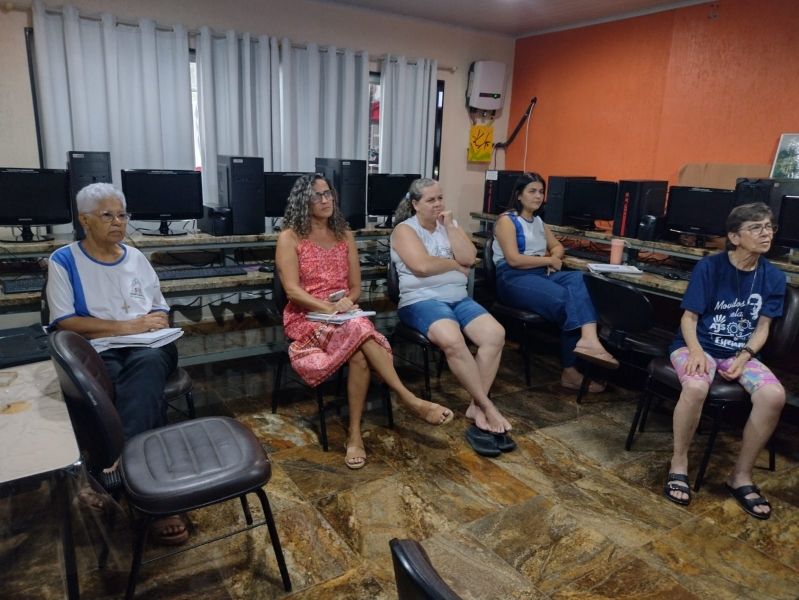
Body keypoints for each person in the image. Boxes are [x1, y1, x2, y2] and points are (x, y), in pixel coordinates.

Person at [275, 174, 453, 470]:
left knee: (358, 353)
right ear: (302, 201)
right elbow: (293, 291)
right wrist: (331, 308)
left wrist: (345, 305)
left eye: (328, 193)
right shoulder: (290, 237)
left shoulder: (344, 234)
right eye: (317, 195)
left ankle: (355, 432)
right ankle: (408, 399)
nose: (326, 200)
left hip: (345, 314)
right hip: (307, 316)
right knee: (360, 331)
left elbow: (355, 287)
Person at [47, 182, 186, 544]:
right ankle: (153, 492)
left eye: (122, 215)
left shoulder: (136, 258)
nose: (118, 222)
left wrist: (156, 321)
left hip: (150, 346)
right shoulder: (64, 260)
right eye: (107, 215)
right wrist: (126, 327)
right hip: (100, 348)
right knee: (124, 389)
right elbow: (65, 322)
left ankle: (108, 472)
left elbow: (159, 307)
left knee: (146, 367)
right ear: (84, 220)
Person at [664, 202, 786, 519]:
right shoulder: (710, 267)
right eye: (756, 227)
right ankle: (679, 463)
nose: (766, 233)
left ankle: (740, 476)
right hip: (696, 344)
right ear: (734, 237)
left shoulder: (773, 276)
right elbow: (689, 318)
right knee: (695, 388)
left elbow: (763, 327)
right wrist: (695, 351)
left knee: (774, 395)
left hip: (739, 351)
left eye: (769, 226)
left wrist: (745, 356)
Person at [390, 177, 513, 446]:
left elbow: (469, 258)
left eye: (440, 198)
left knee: (495, 334)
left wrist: (450, 228)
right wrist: (454, 266)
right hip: (421, 300)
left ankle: (475, 406)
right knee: (453, 339)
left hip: (458, 298)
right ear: (415, 204)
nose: (438, 204)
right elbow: (422, 265)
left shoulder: (450, 225)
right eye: (430, 200)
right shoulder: (404, 230)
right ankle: (487, 406)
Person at [491, 173, 619, 392]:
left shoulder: (538, 221)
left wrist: (555, 256)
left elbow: (558, 246)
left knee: (582, 279)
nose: (538, 196)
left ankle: (588, 339)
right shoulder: (507, 220)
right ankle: (571, 371)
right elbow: (514, 259)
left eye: (541, 192)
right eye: (532, 191)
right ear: (519, 195)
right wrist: (548, 260)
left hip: (540, 274)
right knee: (568, 301)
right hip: (513, 277)